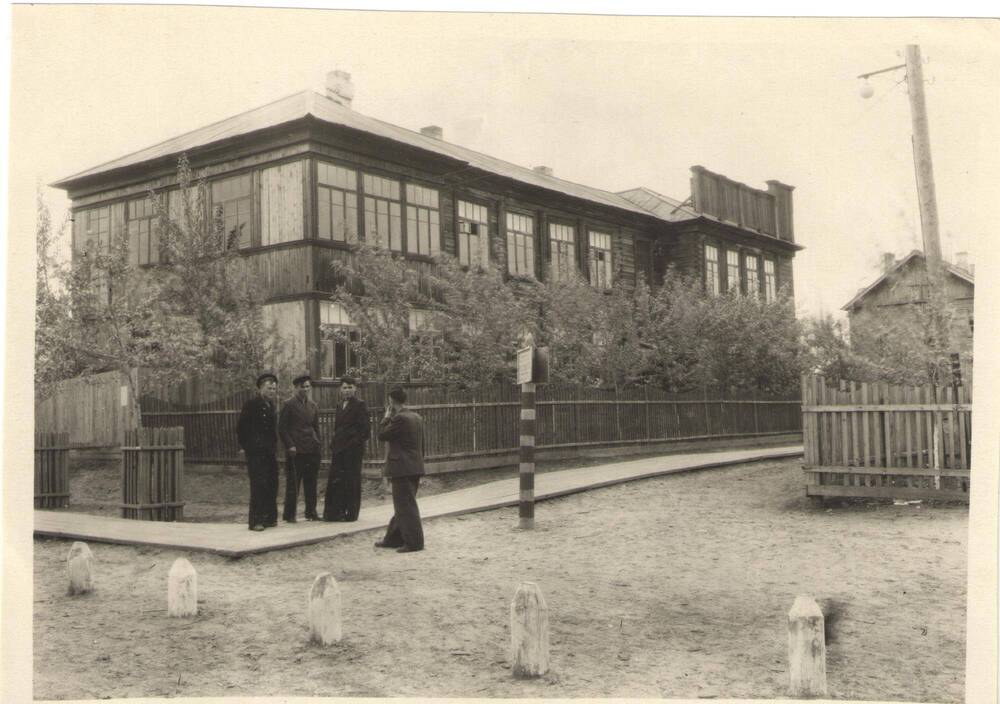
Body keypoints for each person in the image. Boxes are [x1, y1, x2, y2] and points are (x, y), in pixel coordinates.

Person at [374, 386, 425, 553]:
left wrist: (386, 418)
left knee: (405, 506)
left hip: (402, 467)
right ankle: (393, 539)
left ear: (391, 400)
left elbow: (381, 435)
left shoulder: (399, 419)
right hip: (414, 466)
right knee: (403, 504)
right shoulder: (416, 417)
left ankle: (414, 543)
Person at [236, 371, 280, 531]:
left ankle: (269, 518)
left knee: (271, 484)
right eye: (269, 388)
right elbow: (241, 429)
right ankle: (256, 521)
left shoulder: (271, 406)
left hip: (269, 452)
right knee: (258, 485)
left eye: (274, 389)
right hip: (256, 454)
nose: (272, 391)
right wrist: (249, 448)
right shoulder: (252, 404)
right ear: (261, 388)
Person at [323, 376, 370, 522]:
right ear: (340, 389)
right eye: (344, 387)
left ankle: (351, 514)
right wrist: (335, 443)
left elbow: (365, 431)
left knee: (351, 480)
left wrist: (352, 444)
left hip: (353, 451)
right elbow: (338, 428)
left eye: (350, 387)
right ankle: (335, 512)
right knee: (337, 480)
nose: (347, 390)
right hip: (339, 449)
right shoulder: (339, 405)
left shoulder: (360, 405)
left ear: (355, 389)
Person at [278, 374, 321, 522]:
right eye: (302, 387)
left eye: (308, 386)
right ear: (296, 388)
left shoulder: (313, 405)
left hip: (311, 450)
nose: (305, 389)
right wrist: (290, 445)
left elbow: (316, 428)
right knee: (293, 484)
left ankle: (311, 512)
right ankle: (289, 515)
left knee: (311, 482)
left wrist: (317, 444)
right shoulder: (288, 404)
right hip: (295, 451)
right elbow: (282, 428)